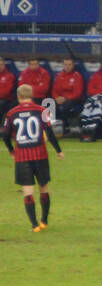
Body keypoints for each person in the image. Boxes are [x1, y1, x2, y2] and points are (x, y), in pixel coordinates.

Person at [3, 83, 63, 231]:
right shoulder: (42, 110)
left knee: (28, 191)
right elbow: (49, 132)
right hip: (40, 155)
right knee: (44, 188)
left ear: (18, 97)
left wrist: (11, 149)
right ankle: (44, 221)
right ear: (32, 95)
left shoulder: (11, 113)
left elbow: (5, 135)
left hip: (22, 157)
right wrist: (58, 150)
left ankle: (35, 225)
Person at [51, 58, 85, 132]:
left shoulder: (77, 76)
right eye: (65, 64)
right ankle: (50, 128)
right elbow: (54, 90)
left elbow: (78, 93)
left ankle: (65, 127)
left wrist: (65, 98)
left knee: (65, 105)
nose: (67, 67)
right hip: (59, 99)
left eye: (69, 65)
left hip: (73, 100)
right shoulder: (59, 76)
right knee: (49, 103)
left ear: (73, 65)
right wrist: (56, 98)